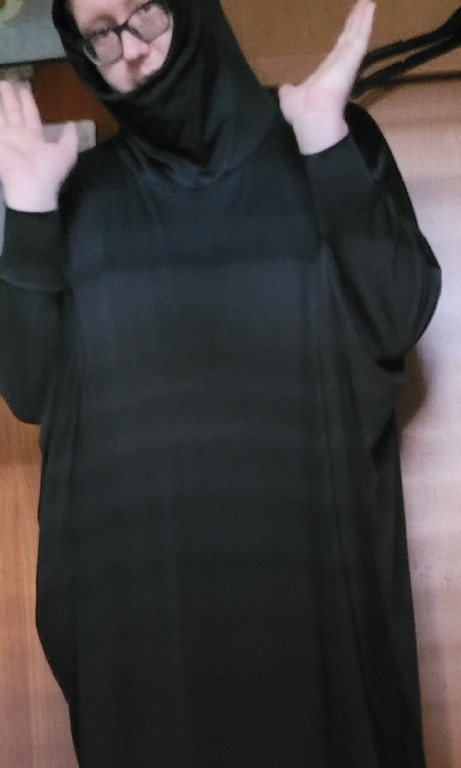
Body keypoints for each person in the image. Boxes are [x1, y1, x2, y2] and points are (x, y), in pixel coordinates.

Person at [0, 0, 441, 766]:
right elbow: (33, 392)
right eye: (100, 33)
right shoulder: (81, 194)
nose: (130, 49)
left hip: (311, 598)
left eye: (142, 12)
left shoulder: (320, 141)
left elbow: (396, 312)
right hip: (147, 627)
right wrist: (30, 210)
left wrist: (325, 140)